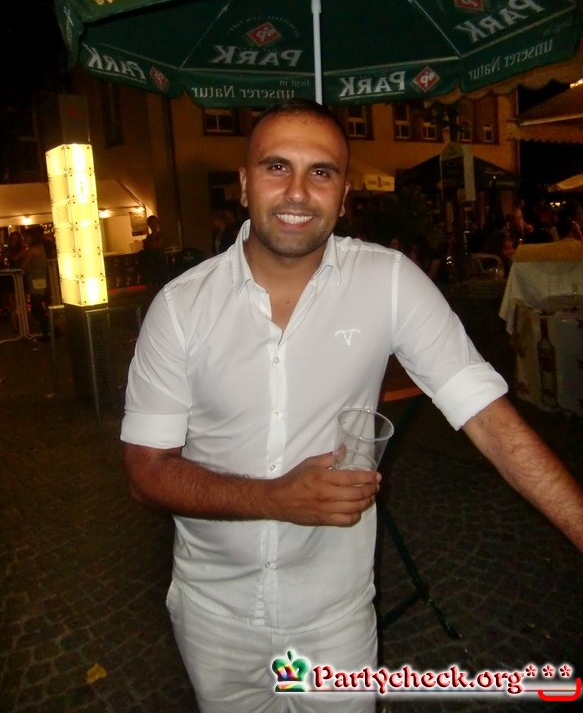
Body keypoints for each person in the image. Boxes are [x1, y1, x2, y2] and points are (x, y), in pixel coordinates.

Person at [121, 100, 583, 713]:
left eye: (322, 172)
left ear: (342, 198)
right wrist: (274, 498)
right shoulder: (180, 308)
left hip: (334, 616)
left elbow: (488, 418)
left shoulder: (387, 282)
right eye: (277, 167)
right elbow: (146, 473)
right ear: (244, 184)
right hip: (213, 616)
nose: (297, 191)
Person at [22, 226, 50, 341]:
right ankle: (50, 330)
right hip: (41, 278)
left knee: (38, 307)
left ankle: (47, 331)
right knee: (38, 307)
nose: (25, 239)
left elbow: (24, 265)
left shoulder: (32, 250)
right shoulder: (41, 248)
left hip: (34, 280)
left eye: (27, 237)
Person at [5, 230, 27, 332]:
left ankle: (24, 323)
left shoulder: (22, 249)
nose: (14, 241)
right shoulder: (9, 250)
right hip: (12, 277)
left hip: (20, 275)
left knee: (23, 300)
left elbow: (16, 258)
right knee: (12, 301)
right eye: (12, 239)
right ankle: (15, 325)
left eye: (16, 239)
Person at [141, 214, 169, 291]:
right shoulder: (149, 237)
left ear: (157, 223)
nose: (153, 225)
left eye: (155, 223)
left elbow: (156, 245)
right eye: (151, 223)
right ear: (149, 225)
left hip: (161, 267)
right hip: (152, 268)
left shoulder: (162, 235)